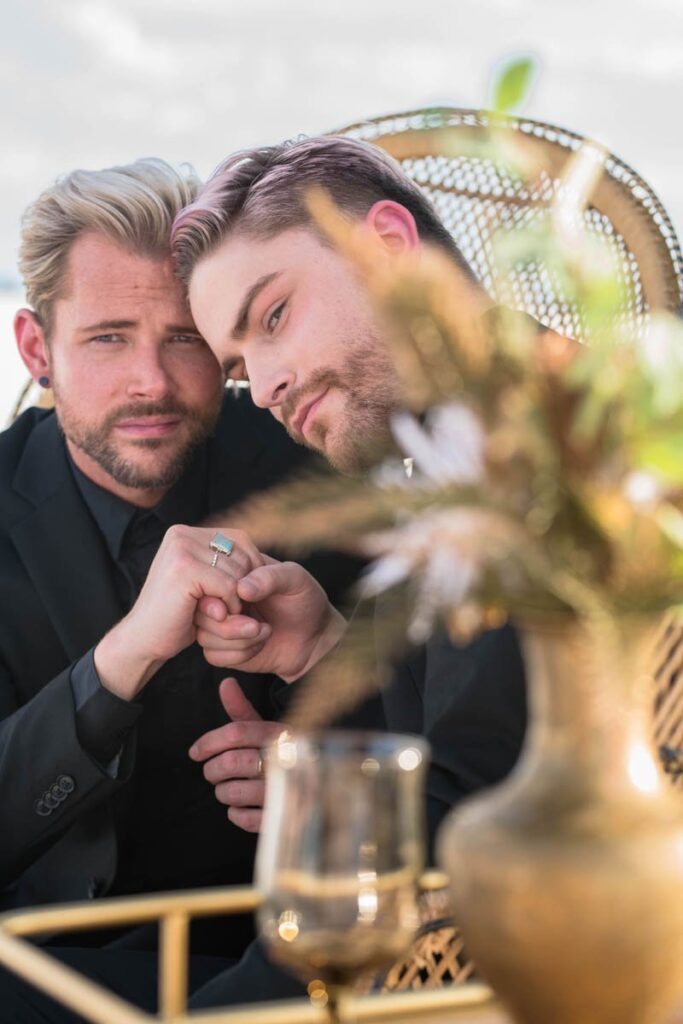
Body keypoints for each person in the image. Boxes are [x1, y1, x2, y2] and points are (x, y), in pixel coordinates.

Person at [0, 156, 358, 1020]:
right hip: (32, 972)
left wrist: (324, 784)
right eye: (109, 337)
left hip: (288, 965)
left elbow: (452, 725)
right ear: (37, 348)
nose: (153, 383)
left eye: (185, 339)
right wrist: (121, 658)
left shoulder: (323, 467)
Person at [173, 136, 528, 844]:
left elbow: (464, 821)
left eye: (273, 316)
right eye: (240, 370)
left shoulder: (512, 454)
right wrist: (321, 656)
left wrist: (316, 796)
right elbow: (464, 740)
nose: (265, 387)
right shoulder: (443, 453)